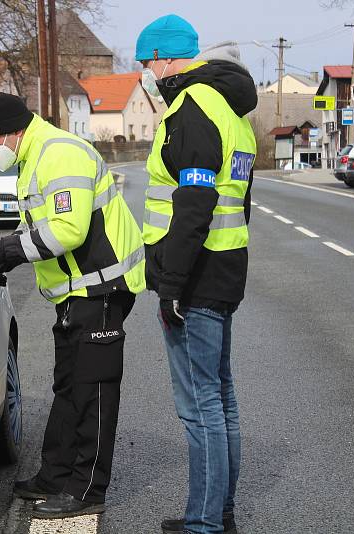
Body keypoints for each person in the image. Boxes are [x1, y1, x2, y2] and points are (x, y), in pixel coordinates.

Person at [0, 92, 146, 519]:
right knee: (68, 389)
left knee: (94, 392)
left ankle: (87, 489)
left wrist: (6, 251)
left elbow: (67, 230)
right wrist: (5, 259)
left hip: (101, 289)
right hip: (74, 294)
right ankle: (55, 474)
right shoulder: (33, 157)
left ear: (14, 131)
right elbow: (40, 230)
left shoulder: (59, 154)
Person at [136, 14, 257, 534]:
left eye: (146, 61)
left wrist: (171, 285)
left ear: (166, 57)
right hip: (225, 266)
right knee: (221, 397)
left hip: (196, 276)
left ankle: (204, 524)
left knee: (200, 405)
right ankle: (219, 515)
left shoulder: (192, 107)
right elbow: (240, 201)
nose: (144, 72)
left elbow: (194, 204)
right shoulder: (231, 109)